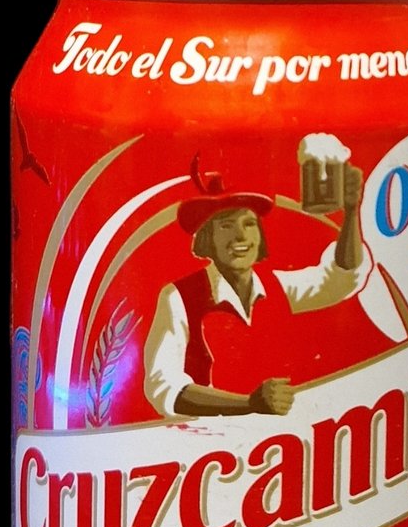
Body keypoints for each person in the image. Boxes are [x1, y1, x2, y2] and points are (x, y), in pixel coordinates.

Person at [144, 159, 373, 421]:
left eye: (249, 223)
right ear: (207, 237)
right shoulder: (178, 297)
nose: (241, 236)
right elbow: (164, 387)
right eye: (226, 225)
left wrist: (351, 213)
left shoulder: (278, 287)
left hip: (280, 439)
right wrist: (249, 404)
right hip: (207, 440)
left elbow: (341, 279)